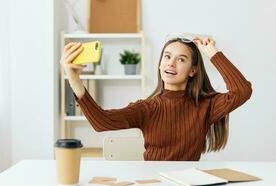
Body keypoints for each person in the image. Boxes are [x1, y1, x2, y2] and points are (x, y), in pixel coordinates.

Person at [60, 36, 252, 161]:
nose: (171, 63)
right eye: (167, 56)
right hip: (154, 185)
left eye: (181, 59)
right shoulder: (147, 108)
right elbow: (101, 122)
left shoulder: (205, 106)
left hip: (190, 185)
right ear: (160, 65)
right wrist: (75, 79)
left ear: (193, 70)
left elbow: (242, 90)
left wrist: (212, 53)